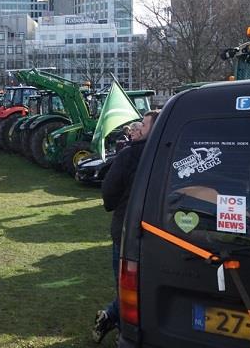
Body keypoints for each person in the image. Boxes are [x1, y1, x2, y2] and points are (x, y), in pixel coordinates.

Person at [92, 110, 160, 343]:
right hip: (163, 233)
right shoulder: (168, 155)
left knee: (128, 284)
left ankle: (116, 320)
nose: (137, 128)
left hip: (128, 232)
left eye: (143, 125)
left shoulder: (129, 155)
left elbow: (109, 191)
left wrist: (113, 204)